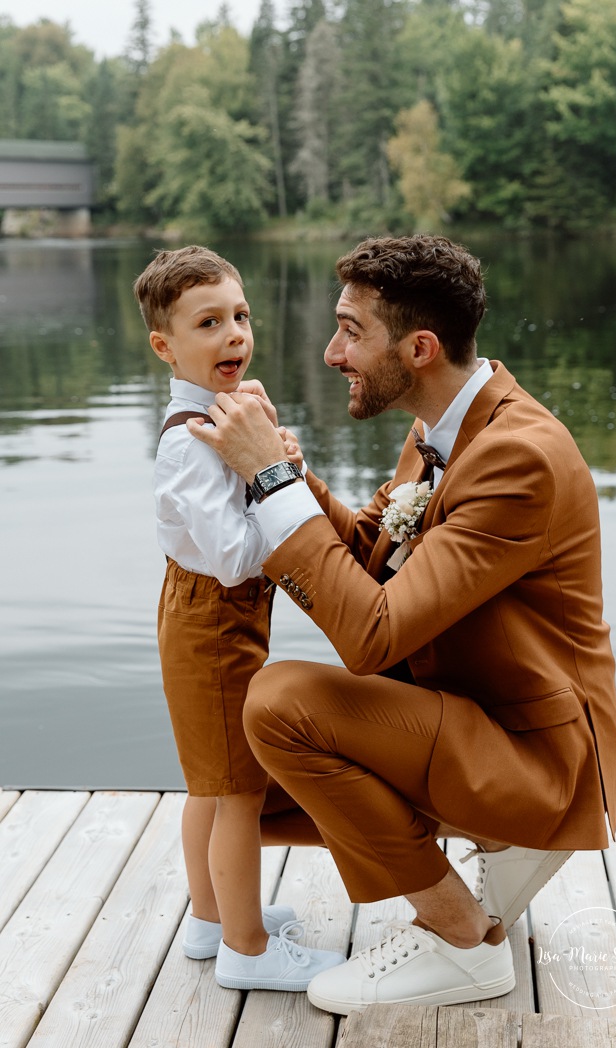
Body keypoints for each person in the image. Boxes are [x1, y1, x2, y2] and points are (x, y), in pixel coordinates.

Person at [185, 234, 616, 1014]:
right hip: (477, 719)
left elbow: (374, 634)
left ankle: (461, 941)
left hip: (544, 763)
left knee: (279, 701)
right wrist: (293, 477)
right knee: (244, 775)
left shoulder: (516, 456)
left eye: (351, 331)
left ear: (419, 348)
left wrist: (270, 477)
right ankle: (488, 857)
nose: (331, 353)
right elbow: (375, 561)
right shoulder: (438, 432)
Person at [133, 245, 344, 991]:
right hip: (214, 618)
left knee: (207, 783)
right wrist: (272, 485)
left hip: (197, 615)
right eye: (209, 322)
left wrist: (261, 451)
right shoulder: (193, 444)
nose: (234, 334)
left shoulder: (210, 417)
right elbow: (232, 558)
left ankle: (210, 920)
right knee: (239, 790)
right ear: (165, 345)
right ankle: (247, 951)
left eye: (241, 316)